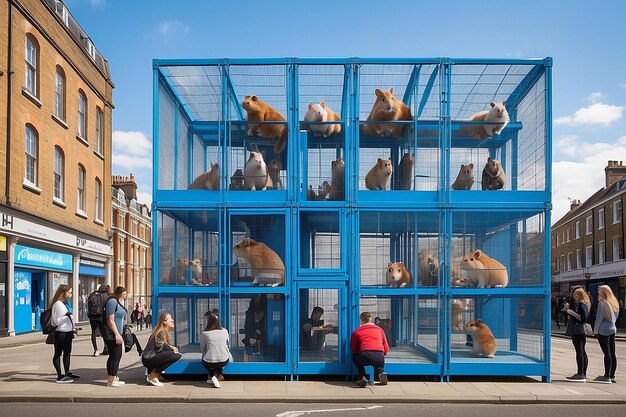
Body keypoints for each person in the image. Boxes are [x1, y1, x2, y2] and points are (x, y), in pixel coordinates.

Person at [350, 311, 390, 388]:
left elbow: (353, 349)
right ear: (370, 319)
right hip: (379, 356)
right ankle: (380, 372)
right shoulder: (379, 330)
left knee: (355, 357)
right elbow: (386, 347)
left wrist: (358, 352)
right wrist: (383, 354)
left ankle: (362, 377)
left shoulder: (356, 332)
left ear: (361, 320)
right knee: (378, 364)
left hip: (365, 355)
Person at [142, 312, 182, 387]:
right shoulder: (160, 332)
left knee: (174, 354)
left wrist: (172, 348)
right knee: (176, 355)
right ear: (164, 322)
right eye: (170, 319)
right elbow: (165, 348)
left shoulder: (163, 332)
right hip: (148, 359)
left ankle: (156, 374)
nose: (172, 320)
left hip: (150, 358)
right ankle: (153, 375)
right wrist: (173, 349)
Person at [50, 284, 78, 383]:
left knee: (67, 353)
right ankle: (59, 375)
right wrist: (66, 315)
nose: (70, 295)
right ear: (63, 293)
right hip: (60, 332)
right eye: (69, 293)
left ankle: (67, 372)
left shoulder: (65, 304)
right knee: (58, 353)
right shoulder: (57, 304)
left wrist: (73, 328)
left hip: (68, 332)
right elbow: (55, 321)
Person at [593, 285, 619, 383]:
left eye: (600, 291)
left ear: (603, 292)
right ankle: (612, 375)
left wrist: (595, 331)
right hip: (612, 329)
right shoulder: (614, 303)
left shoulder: (602, 303)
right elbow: (615, 317)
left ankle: (606, 376)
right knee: (612, 353)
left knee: (606, 353)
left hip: (603, 330)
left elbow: (599, 318)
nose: (598, 293)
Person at [564, 286, 591, 382]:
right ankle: (582, 373)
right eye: (574, 294)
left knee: (580, 351)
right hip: (579, 330)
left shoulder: (581, 304)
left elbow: (583, 318)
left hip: (578, 330)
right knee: (582, 351)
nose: (575, 295)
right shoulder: (582, 303)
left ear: (582, 295)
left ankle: (580, 373)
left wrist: (570, 312)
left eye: (577, 294)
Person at [103, 286, 128, 387]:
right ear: (122, 293)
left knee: (114, 356)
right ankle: (111, 379)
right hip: (112, 335)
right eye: (126, 293)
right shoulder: (112, 302)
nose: (127, 295)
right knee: (115, 356)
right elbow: (110, 320)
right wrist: (117, 334)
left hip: (116, 334)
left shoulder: (117, 302)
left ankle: (113, 377)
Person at [200, 314, 232, 388]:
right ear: (218, 322)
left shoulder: (205, 333)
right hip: (223, 361)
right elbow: (228, 346)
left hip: (209, 362)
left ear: (208, 322)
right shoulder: (225, 331)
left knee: (207, 359)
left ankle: (211, 375)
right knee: (220, 360)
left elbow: (202, 350)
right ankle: (218, 374)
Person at [87, 284, 110, 357]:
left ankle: (95, 350)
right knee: (104, 333)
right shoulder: (106, 295)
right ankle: (106, 348)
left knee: (93, 332)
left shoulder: (93, 294)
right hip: (102, 317)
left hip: (93, 317)